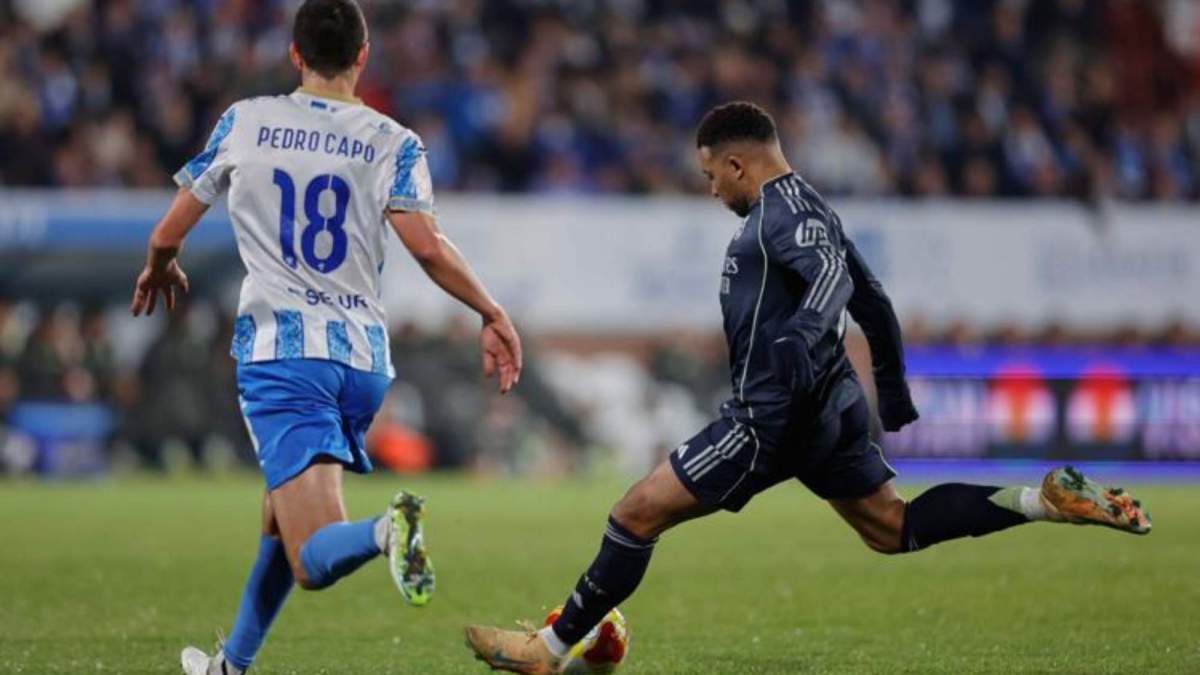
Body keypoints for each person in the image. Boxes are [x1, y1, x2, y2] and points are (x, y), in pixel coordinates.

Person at [463, 101, 1149, 673]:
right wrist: (891, 382)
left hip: (771, 416)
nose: (711, 190)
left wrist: (801, 333)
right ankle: (1040, 499)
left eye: (711, 176)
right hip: (830, 403)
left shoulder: (777, 215)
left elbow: (833, 281)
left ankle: (549, 650)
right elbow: (872, 296)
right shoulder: (810, 201)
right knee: (892, 526)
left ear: (737, 164)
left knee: (635, 513)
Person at [129, 2, 523, 673]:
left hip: (285, 357)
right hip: (362, 362)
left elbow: (167, 231)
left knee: (310, 558)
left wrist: (163, 264)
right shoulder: (393, 140)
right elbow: (426, 248)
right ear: (363, 56)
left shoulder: (247, 121)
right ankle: (232, 665)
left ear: (294, 54)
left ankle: (383, 529)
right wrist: (491, 310)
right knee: (279, 517)